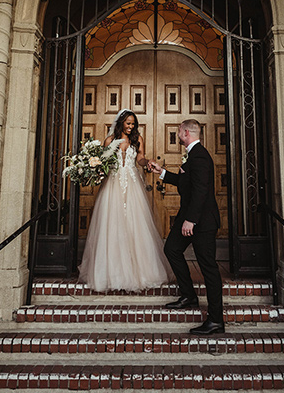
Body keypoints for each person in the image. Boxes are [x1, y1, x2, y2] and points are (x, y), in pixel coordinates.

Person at [79, 109, 172, 292]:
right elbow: (103, 162)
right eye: (128, 123)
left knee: (134, 226)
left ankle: (140, 272)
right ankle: (110, 274)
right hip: (112, 184)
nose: (131, 127)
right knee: (111, 226)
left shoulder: (137, 140)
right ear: (121, 122)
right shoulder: (110, 141)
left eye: (133, 124)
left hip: (131, 184)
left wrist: (148, 162)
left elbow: (140, 159)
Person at [149, 119, 224, 335]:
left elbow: (201, 190)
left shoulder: (199, 156)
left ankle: (216, 320)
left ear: (185, 132)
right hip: (190, 218)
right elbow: (187, 183)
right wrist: (162, 172)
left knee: (208, 267)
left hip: (201, 222)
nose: (177, 134)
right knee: (171, 249)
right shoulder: (193, 155)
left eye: (178, 131)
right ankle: (189, 295)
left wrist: (191, 220)